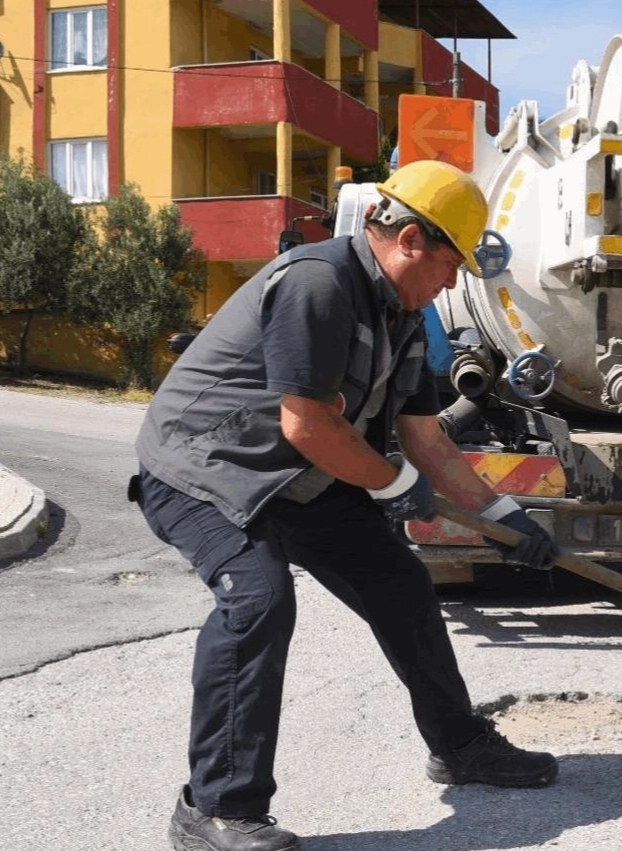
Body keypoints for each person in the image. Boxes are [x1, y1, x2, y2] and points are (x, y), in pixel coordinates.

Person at [131, 160, 559, 851]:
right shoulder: (319, 282)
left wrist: (506, 519)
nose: (453, 284)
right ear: (411, 240)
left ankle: (460, 746)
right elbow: (306, 422)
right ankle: (215, 810)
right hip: (204, 468)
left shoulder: (406, 317)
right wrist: (389, 485)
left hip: (296, 475)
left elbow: (427, 439)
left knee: (400, 584)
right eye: (451, 265)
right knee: (258, 600)